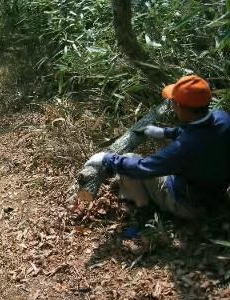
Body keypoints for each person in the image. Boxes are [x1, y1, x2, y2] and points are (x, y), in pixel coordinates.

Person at [85, 75, 230, 218]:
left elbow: (144, 167)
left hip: (188, 205)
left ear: (178, 105)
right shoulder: (222, 118)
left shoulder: (184, 147)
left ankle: (142, 211)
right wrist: (164, 132)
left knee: (129, 159)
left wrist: (107, 159)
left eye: (173, 101)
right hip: (216, 194)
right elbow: (198, 131)